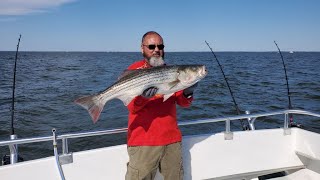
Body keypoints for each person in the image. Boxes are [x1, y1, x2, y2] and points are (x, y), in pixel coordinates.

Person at [125, 31, 197, 180]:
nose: (157, 50)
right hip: (143, 142)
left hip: (172, 140)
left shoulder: (173, 71)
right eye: (151, 46)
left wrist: (188, 92)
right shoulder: (133, 70)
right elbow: (132, 107)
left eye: (160, 46)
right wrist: (144, 98)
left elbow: (182, 103)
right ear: (142, 48)